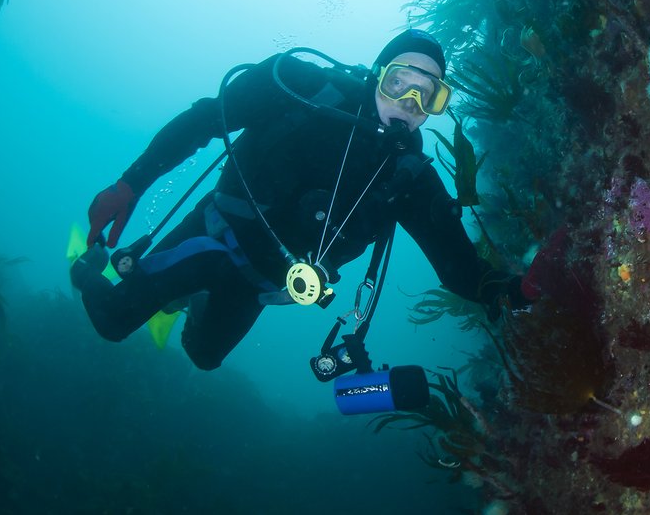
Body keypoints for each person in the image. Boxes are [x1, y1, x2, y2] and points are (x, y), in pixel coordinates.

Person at [70, 29, 527, 371]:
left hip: (263, 282)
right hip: (215, 231)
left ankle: (184, 300)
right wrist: (129, 184)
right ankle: (87, 267)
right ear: (376, 76)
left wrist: (517, 291)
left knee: (203, 356)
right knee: (112, 322)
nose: (410, 100)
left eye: (428, 95)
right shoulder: (303, 90)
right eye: (400, 82)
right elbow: (208, 118)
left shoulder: (407, 176)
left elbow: (459, 267)